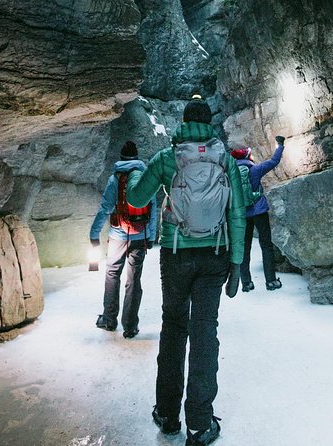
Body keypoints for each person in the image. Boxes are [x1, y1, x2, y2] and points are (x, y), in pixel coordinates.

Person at [125, 96, 245, 446]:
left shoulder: (167, 158)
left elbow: (136, 199)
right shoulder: (225, 161)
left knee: (174, 328)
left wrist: (136, 173)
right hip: (215, 257)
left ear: (184, 122)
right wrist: (236, 263)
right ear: (209, 124)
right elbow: (236, 213)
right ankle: (200, 424)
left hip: (177, 255)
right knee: (205, 333)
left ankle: (167, 415)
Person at [89, 141, 158, 339]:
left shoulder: (115, 179)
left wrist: (94, 234)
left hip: (118, 235)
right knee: (134, 279)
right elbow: (152, 208)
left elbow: (105, 209)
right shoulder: (146, 178)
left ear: (121, 158)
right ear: (137, 158)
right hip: (140, 235)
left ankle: (109, 320)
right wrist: (151, 236)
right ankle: (130, 326)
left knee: (112, 274)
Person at [230, 135, 285, 292]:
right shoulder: (254, 170)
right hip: (259, 211)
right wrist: (280, 145)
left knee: (244, 248)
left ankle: (246, 283)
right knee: (266, 245)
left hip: (242, 215)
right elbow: (274, 161)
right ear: (248, 156)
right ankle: (271, 281)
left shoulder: (230, 175)